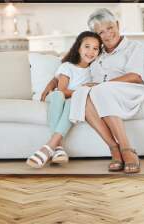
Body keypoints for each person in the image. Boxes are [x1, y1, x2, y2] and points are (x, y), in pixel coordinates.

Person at [40, 8, 144, 173]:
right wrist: (51, 84)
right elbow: (69, 64)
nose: (107, 34)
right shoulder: (96, 53)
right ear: (96, 35)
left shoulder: (134, 47)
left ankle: (127, 149)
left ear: (118, 25)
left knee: (97, 91)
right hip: (100, 94)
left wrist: (101, 86)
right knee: (82, 93)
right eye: (101, 32)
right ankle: (113, 148)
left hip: (131, 90)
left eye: (110, 28)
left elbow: (136, 76)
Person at [26, 31, 103, 168]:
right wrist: (81, 89)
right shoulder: (68, 66)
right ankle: (57, 146)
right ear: (78, 47)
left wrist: (85, 90)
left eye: (95, 48)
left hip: (71, 101)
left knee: (74, 101)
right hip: (56, 98)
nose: (91, 51)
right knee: (59, 96)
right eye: (87, 46)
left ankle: (54, 148)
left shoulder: (94, 71)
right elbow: (62, 90)